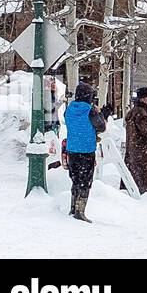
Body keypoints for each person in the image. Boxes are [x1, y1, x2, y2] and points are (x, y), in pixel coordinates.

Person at [63, 81, 106, 221]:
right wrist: (100, 113)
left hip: (72, 149)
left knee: (75, 179)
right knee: (85, 180)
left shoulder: (69, 109)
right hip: (86, 149)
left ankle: (73, 207)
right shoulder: (90, 110)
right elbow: (101, 127)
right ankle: (80, 212)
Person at [123, 87, 147, 194]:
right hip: (142, 149)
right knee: (142, 173)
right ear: (143, 99)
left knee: (133, 170)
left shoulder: (133, 112)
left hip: (133, 147)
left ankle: (131, 187)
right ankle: (143, 191)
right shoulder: (142, 113)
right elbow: (146, 131)